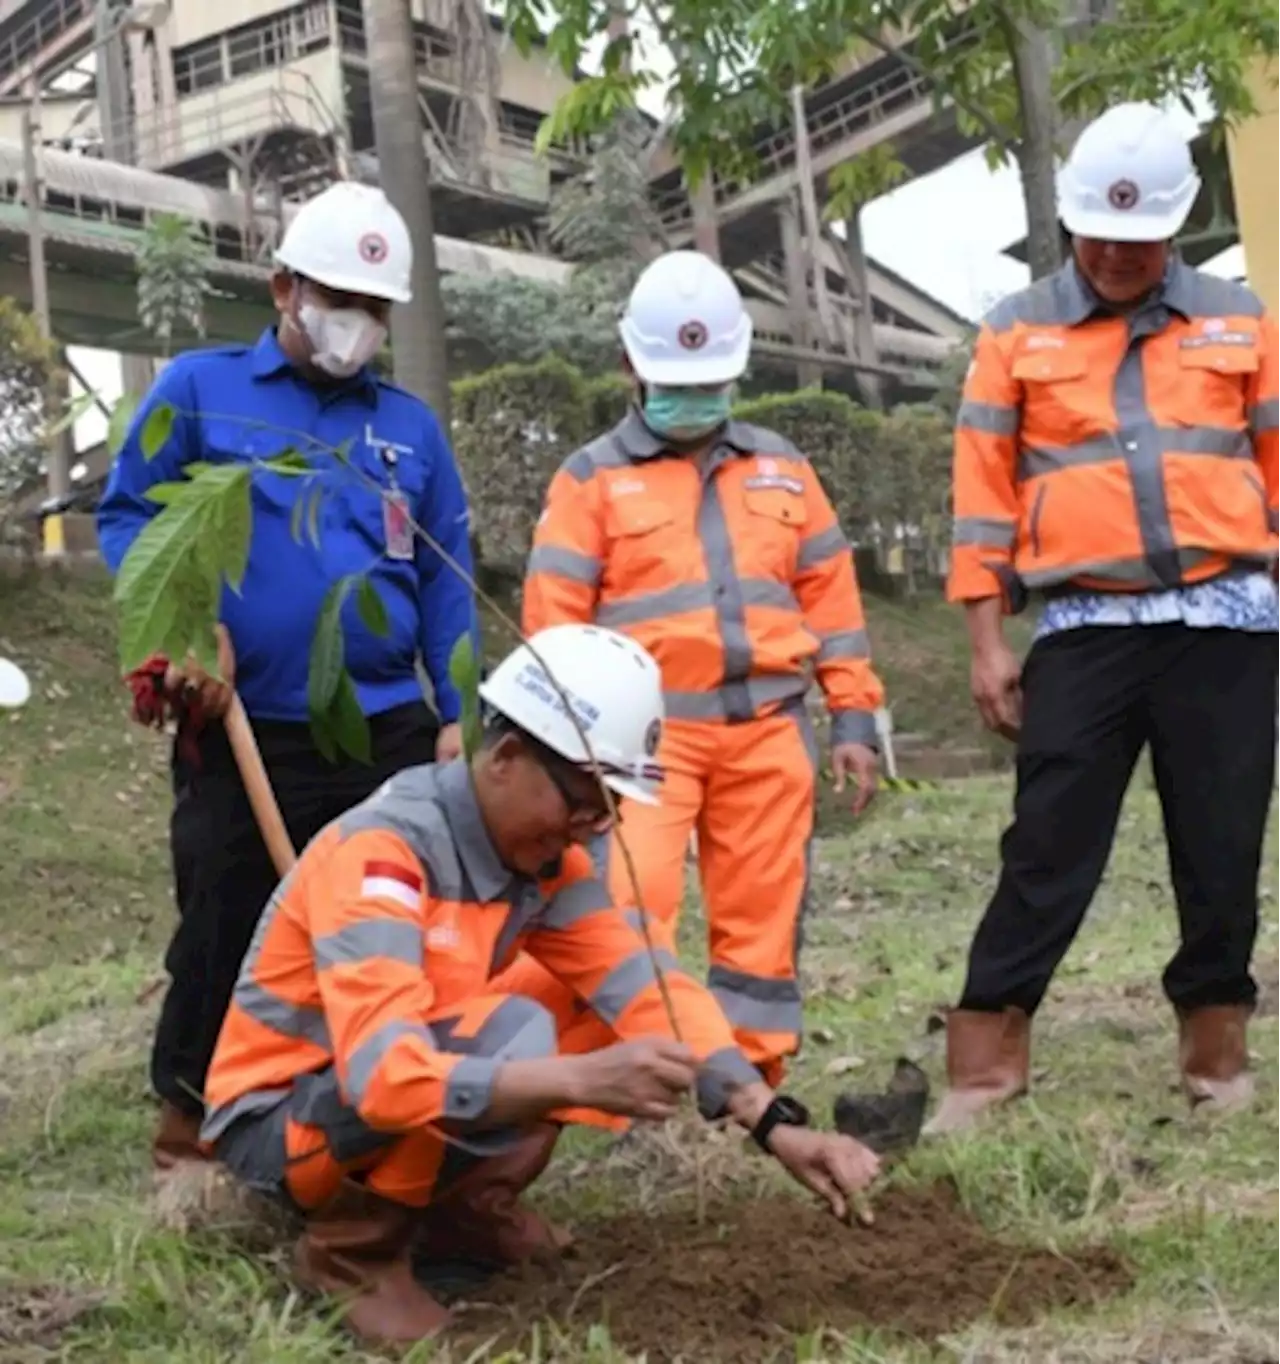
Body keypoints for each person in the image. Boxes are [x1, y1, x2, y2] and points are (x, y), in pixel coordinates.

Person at [199, 623, 883, 1346]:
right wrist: (572, 1080)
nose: (587, 831)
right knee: (516, 1036)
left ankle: (465, 1213)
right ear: (506, 757)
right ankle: (354, 1255)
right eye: (581, 805)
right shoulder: (386, 856)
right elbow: (382, 1081)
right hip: (286, 1125)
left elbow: (650, 989)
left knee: (586, 1003)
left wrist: (774, 1123)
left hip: (386, 1080)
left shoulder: (545, 867)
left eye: (606, 814)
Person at [95, 179, 477, 1174]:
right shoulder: (196, 387)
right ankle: (188, 1130)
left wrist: (457, 715)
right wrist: (181, 626)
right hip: (243, 724)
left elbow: (444, 581)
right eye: (334, 297)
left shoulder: (410, 429)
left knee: (392, 921)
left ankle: (368, 1115)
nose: (354, 323)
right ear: (281, 288)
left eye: (373, 308)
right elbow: (128, 516)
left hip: (386, 726)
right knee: (224, 917)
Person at [927, 101, 1280, 1134]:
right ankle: (984, 1065)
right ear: (1069, 225)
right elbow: (980, 497)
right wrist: (988, 642)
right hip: (1083, 626)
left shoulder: (1239, 318)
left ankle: (1215, 1059)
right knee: (1045, 841)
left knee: (1219, 846)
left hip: (1227, 627)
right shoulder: (1014, 329)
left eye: (1138, 239)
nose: (1115, 256)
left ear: (1173, 228)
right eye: (1097, 236)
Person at [521, 249, 885, 1094]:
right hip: (639, 752)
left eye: (712, 378)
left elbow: (830, 601)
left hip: (768, 733)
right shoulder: (590, 481)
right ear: (630, 367)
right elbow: (552, 625)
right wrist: (560, 752)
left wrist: (855, 717)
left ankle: (746, 1086)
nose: (696, 397)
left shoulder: (784, 468)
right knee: (626, 915)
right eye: (676, 378)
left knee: (760, 927)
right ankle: (628, 1089)